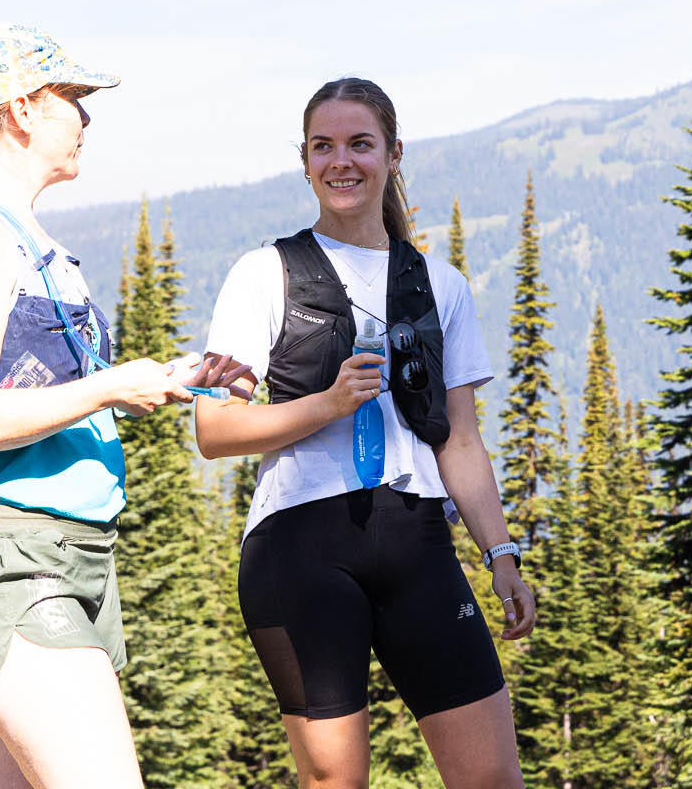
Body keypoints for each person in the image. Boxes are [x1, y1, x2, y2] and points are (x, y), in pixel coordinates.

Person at [0, 23, 247, 789]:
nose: (86, 119)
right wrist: (112, 384)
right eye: (73, 99)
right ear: (23, 110)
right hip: (12, 562)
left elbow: (47, 396)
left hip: (68, 558)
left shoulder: (28, 242)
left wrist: (169, 376)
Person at [196, 76, 534, 789]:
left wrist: (500, 550)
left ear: (393, 153)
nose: (339, 162)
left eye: (359, 144)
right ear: (305, 158)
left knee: (493, 778)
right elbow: (214, 428)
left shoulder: (441, 286)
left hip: (419, 544)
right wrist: (324, 404)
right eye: (323, 146)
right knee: (335, 783)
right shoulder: (265, 274)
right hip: (299, 549)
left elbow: (461, 442)